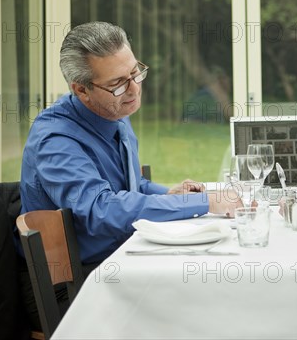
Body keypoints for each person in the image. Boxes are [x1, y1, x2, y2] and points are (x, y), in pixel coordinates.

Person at [17, 22, 242, 328]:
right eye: (119, 83)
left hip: (115, 259)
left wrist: (167, 193)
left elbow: (128, 184)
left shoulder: (112, 109)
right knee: (200, 301)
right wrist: (205, 203)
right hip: (72, 286)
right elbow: (100, 209)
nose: (135, 89)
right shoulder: (55, 140)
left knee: (214, 281)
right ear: (81, 89)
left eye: (136, 73)